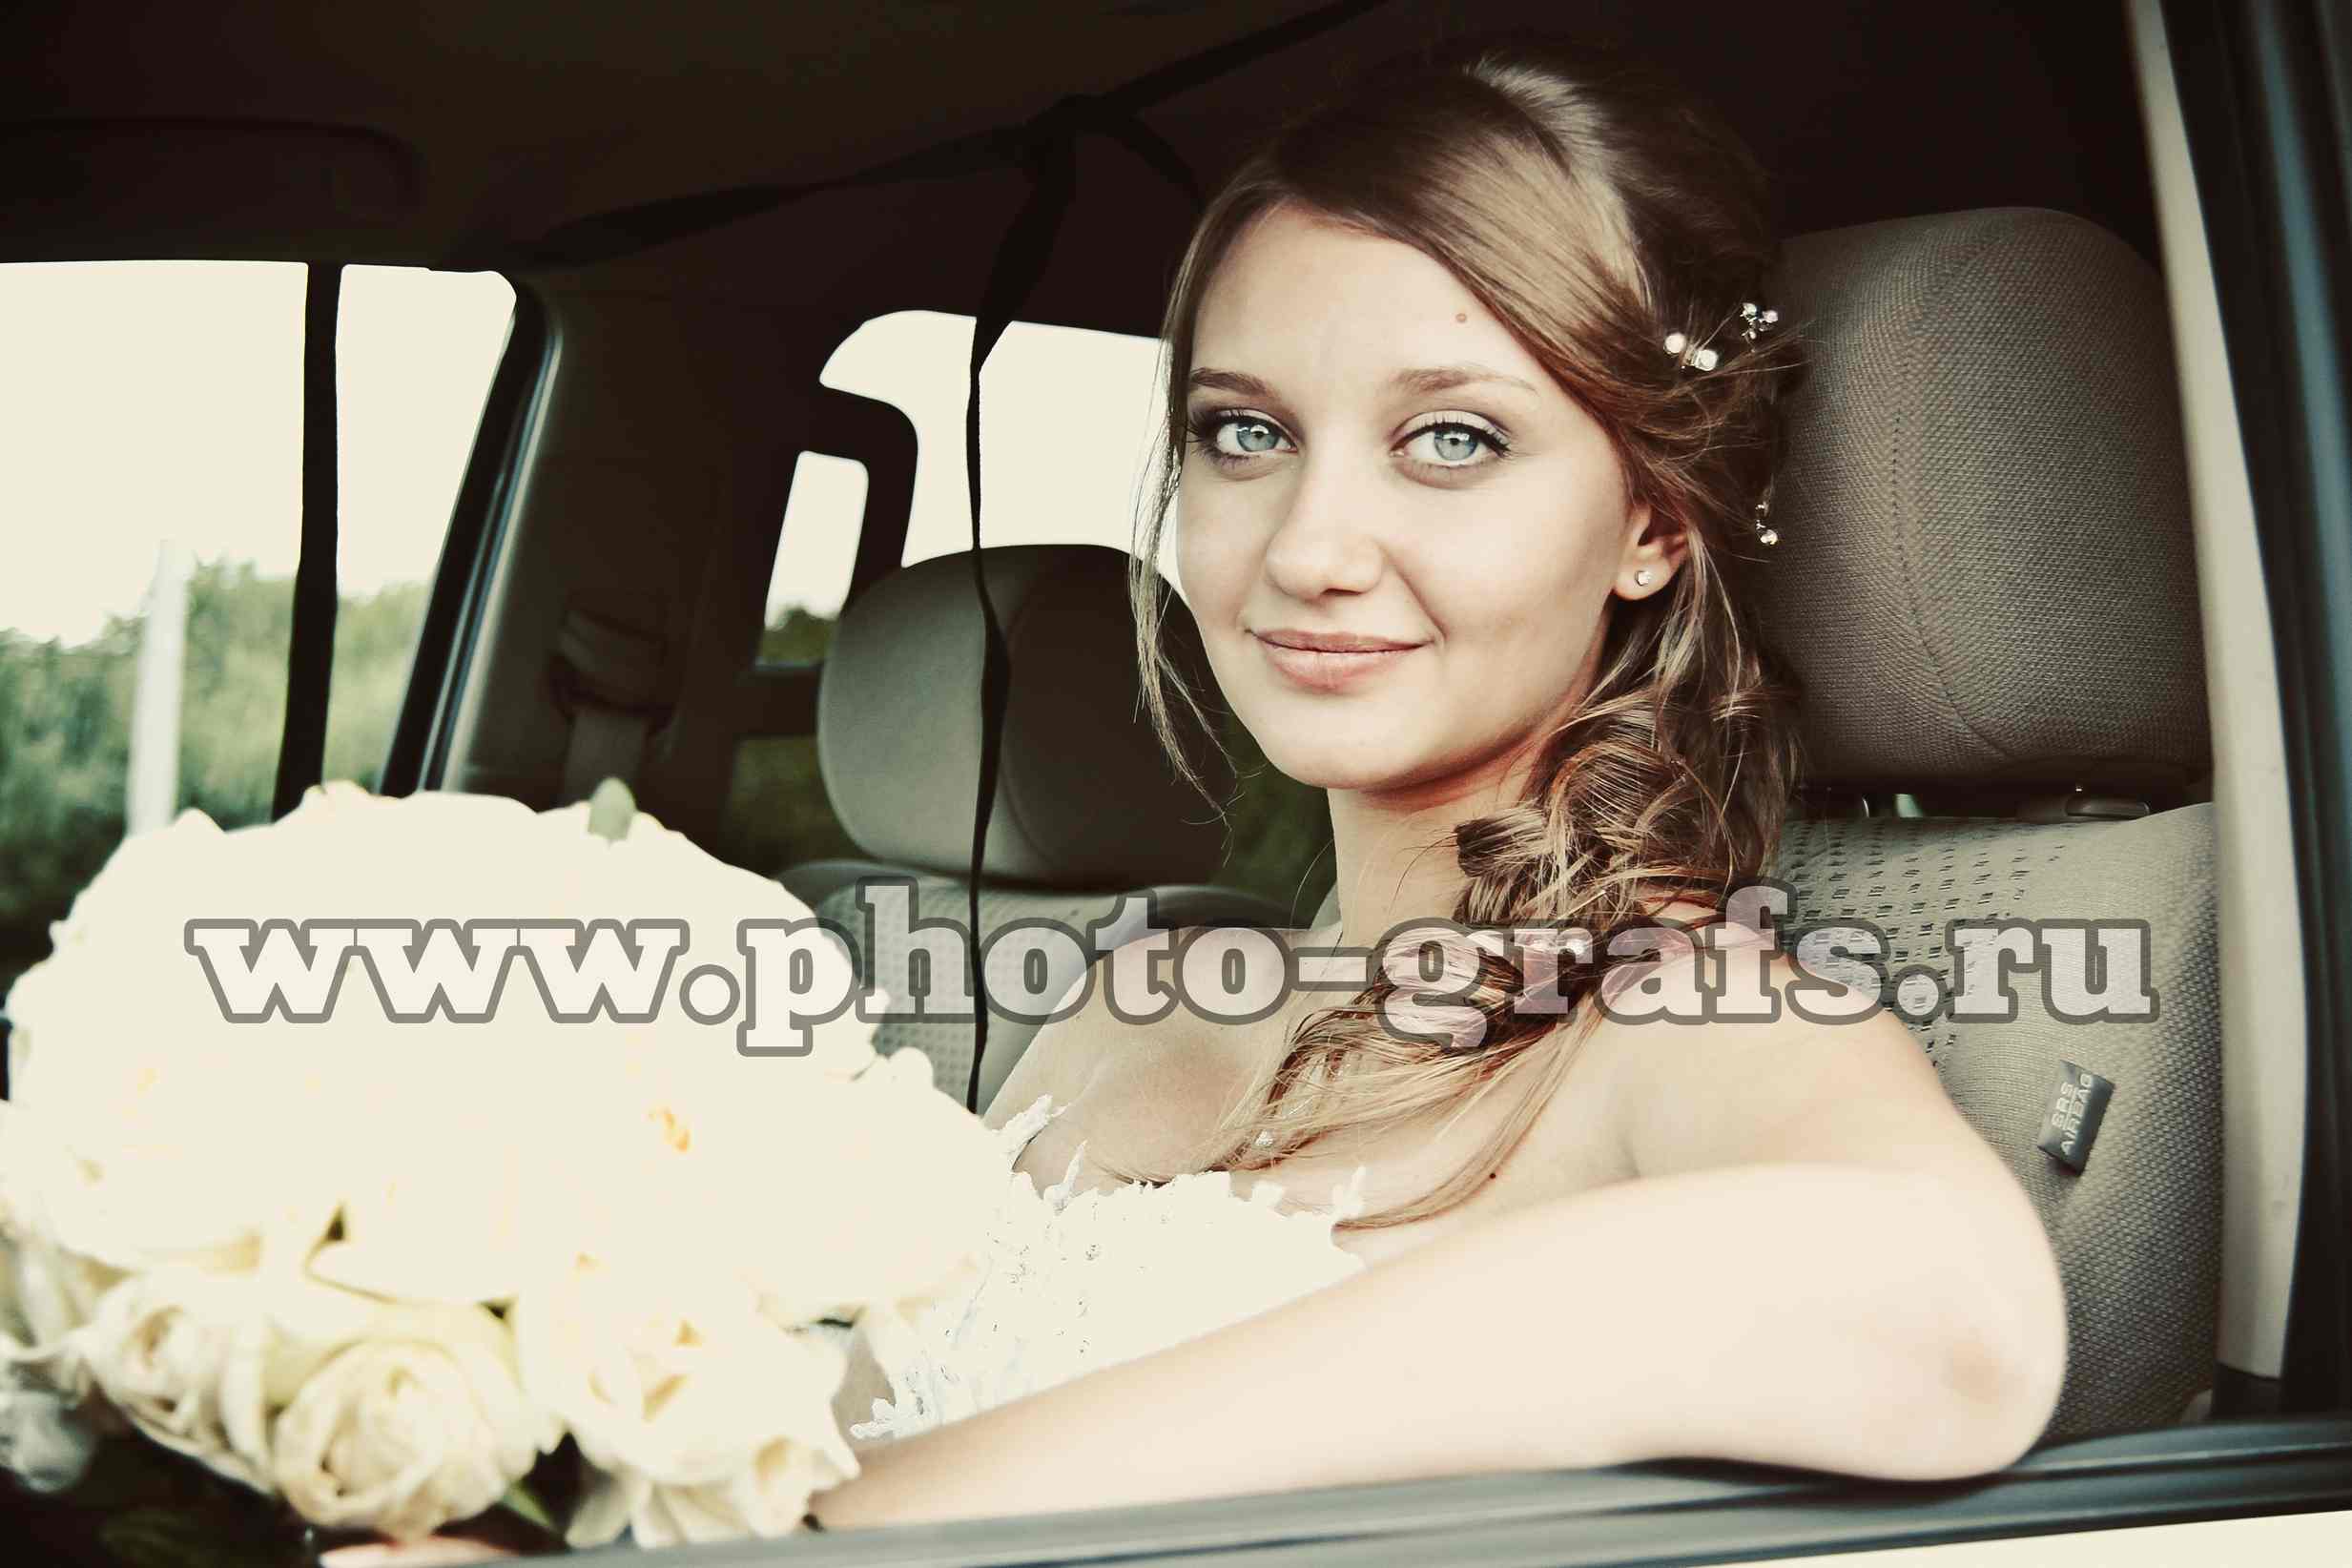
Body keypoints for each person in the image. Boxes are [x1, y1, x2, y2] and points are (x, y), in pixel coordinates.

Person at [331, 32, 2065, 1559]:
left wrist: (840, 1548)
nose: (1307, 548)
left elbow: (1954, 1314)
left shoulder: (1688, 1016)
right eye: (1246, 433)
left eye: (1452, 439)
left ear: (1652, 524)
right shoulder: (1137, 999)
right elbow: (855, 1427)